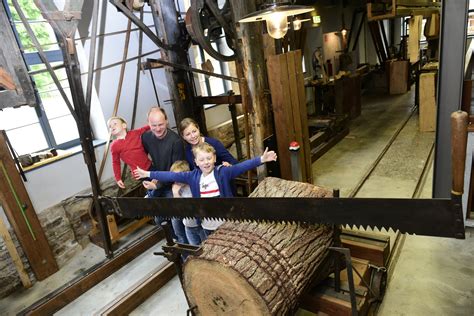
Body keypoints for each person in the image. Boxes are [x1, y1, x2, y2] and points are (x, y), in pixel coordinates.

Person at [134, 142, 277, 237]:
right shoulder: (192, 176)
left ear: (214, 158)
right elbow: (170, 174)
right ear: (196, 162)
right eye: (201, 160)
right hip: (207, 224)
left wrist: (261, 160)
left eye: (209, 158)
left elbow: (241, 167)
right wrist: (148, 174)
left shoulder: (223, 172)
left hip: (226, 221)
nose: (206, 162)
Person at [141, 107, 187, 243]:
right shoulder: (146, 137)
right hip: (156, 181)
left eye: (160, 124)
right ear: (148, 124)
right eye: (153, 125)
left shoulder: (176, 141)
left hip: (171, 183)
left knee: (176, 217)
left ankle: (183, 242)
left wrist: (157, 183)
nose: (158, 128)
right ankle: (175, 241)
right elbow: (142, 158)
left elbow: (176, 172)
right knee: (159, 219)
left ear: (166, 121)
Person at [108, 116, 151, 189]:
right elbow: (116, 162)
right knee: (151, 186)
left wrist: (154, 124)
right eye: (110, 126)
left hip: (149, 165)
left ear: (124, 125)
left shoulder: (134, 133)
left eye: (115, 123)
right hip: (138, 172)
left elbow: (145, 128)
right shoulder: (114, 146)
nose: (112, 126)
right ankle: (150, 195)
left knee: (158, 183)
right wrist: (118, 178)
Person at [170, 160, 206, 245]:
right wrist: (175, 194)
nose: (177, 180)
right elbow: (179, 211)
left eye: (179, 177)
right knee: (194, 248)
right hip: (189, 227)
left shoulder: (193, 187)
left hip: (201, 226)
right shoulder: (178, 190)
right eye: (174, 177)